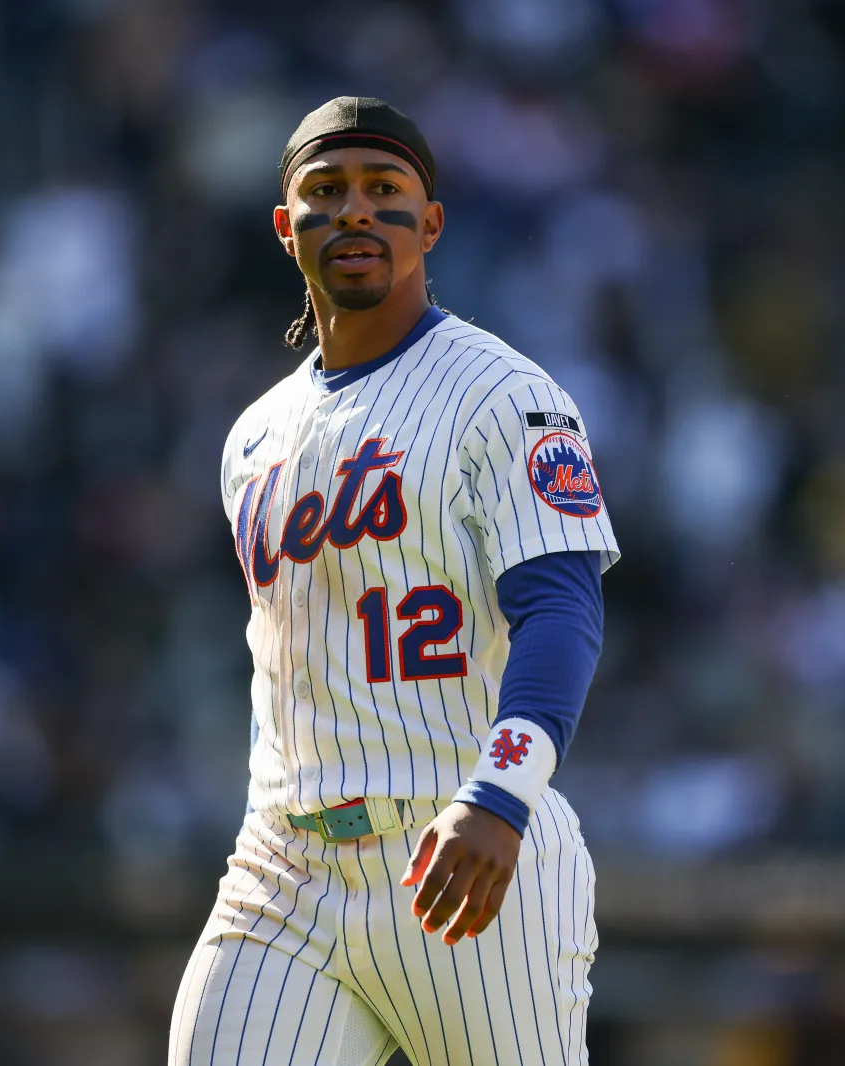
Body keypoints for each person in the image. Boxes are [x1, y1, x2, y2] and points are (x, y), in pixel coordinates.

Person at [169, 97, 619, 1066]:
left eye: (384, 191)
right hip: (284, 863)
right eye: (325, 193)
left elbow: (562, 610)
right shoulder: (251, 435)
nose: (357, 212)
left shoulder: (505, 394)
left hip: (462, 842)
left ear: (432, 221)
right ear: (287, 228)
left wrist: (501, 795)